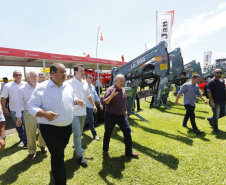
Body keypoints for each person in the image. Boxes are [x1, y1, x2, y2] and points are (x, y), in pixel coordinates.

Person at [28, 63, 84, 185]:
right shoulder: (41, 88)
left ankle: (56, 168)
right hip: (50, 128)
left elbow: (70, 98)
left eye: (65, 72)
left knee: (59, 151)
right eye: (62, 72)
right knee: (58, 156)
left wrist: (76, 101)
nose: (65, 74)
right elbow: (31, 106)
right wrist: (44, 113)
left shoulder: (67, 86)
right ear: (52, 73)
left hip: (67, 128)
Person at [103, 74, 139, 157]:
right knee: (108, 133)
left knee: (127, 131)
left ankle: (128, 152)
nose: (122, 82)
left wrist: (125, 111)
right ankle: (105, 151)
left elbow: (123, 102)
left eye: (123, 81)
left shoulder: (123, 90)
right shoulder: (110, 90)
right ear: (115, 81)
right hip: (110, 116)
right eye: (121, 81)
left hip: (121, 116)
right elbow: (105, 102)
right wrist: (112, 95)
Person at [68, 64, 97, 166]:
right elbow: (66, 97)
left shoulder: (85, 83)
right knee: (76, 133)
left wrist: (94, 105)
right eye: (81, 71)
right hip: (74, 113)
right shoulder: (69, 83)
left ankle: (78, 148)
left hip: (83, 112)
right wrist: (76, 101)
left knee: (80, 132)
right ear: (75, 72)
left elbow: (89, 96)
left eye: (83, 70)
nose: (83, 72)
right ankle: (80, 156)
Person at [16, 70, 47, 159]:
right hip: (29, 113)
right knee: (31, 133)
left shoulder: (40, 86)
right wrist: (18, 118)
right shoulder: (22, 88)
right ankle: (32, 150)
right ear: (27, 78)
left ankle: (41, 144)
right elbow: (19, 103)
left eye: (36, 76)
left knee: (44, 130)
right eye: (33, 76)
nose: (35, 78)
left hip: (41, 112)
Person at [1, 70, 27, 148]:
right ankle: (22, 139)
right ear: (13, 76)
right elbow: (3, 97)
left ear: (22, 75)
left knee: (26, 125)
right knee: (18, 125)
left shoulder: (27, 84)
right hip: (14, 110)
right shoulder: (8, 85)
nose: (18, 76)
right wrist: (4, 107)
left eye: (19, 74)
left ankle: (26, 141)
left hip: (25, 109)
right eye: (16, 75)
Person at [206, 69, 226, 134]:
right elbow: (209, 92)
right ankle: (215, 129)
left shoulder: (222, 81)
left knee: (223, 113)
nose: (219, 74)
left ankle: (211, 119)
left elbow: (223, 91)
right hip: (215, 101)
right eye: (217, 72)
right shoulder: (211, 81)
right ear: (214, 73)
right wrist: (211, 101)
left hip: (222, 101)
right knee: (216, 115)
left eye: (220, 72)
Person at [85, 73, 103, 140]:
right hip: (84, 106)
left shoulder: (92, 86)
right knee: (89, 120)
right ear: (85, 78)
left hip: (90, 106)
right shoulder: (83, 86)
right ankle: (94, 134)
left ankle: (94, 134)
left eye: (92, 78)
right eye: (90, 78)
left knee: (90, 120)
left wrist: (100, 104)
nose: (92, 79)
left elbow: (95, 96)